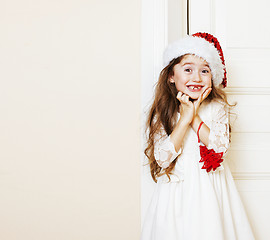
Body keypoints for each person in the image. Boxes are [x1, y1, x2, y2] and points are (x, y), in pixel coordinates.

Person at [141, 32, 255, 240]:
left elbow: (219, 147)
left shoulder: (216, 107)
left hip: (211, 189)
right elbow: (163, 158)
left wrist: (193, 116)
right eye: (188, 70)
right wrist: (183, 119)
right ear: (171, 76)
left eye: (204, 71)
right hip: (176, 192)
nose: (196, 77)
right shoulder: (164, 111)